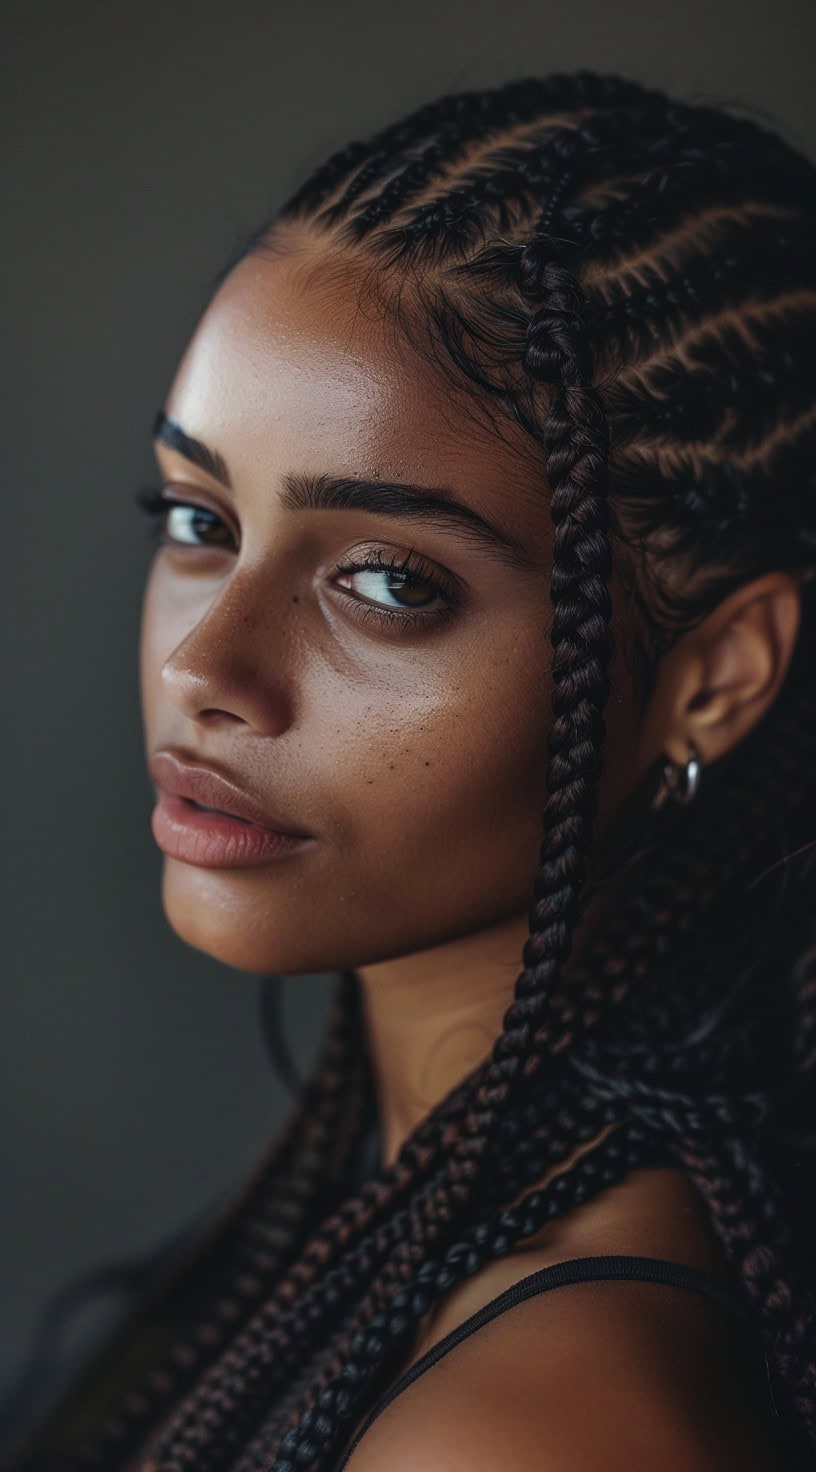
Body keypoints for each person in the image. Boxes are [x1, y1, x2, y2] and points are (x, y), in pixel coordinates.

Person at [7, 67, 816, 1472]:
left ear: (717, 676)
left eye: (386, 581)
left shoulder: (533, 1430)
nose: (208, 666)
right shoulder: (400, 1229)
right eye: (198, 516)